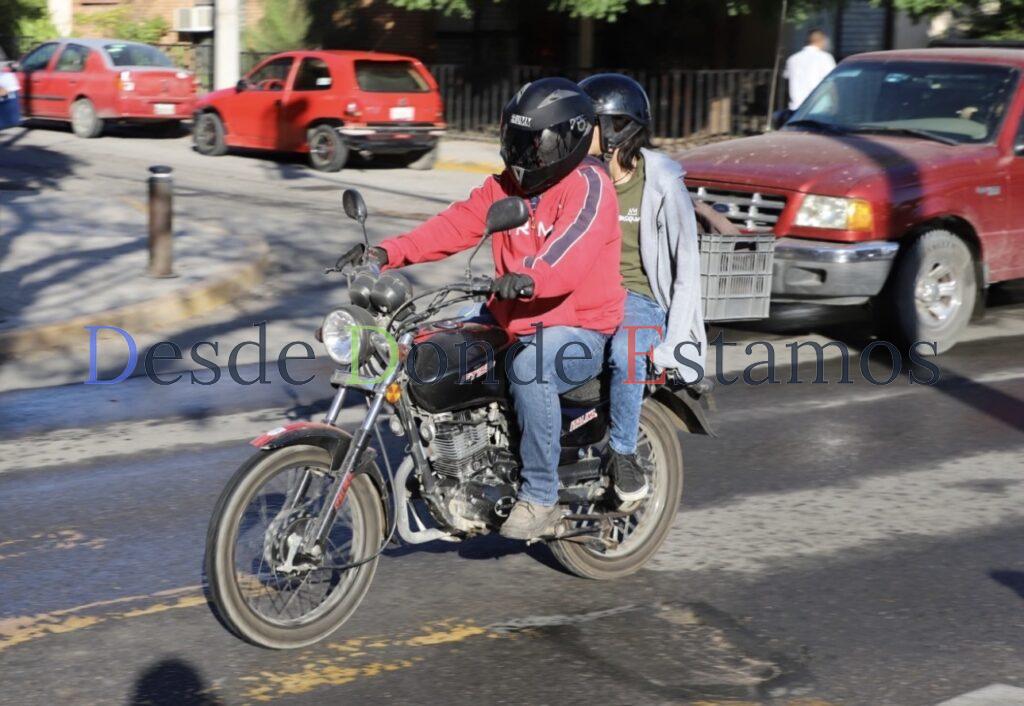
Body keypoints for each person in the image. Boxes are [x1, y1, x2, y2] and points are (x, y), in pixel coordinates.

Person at [336, 78, 625, 540]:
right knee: (425, 345)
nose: (524, 154)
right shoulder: (505, 186)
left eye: (537, 143)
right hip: (510, 315)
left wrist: (530, 277)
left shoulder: (588, 185)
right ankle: (458, 463)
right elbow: (453, 226)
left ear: (568, 141)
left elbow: (567, 257)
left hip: (579, 327)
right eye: (517, 141)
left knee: (531, 368)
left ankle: (541, 496)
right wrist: (385, 254)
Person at [579, 73, 706, 504]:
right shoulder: (581, 175)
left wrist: (674, 342)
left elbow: (687, 265)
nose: (578, 130)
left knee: (625, 352)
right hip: (588, 293)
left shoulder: (661, 182)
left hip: (641, 297)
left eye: (589, 121)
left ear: (617, 129)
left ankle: (623, 453)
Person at [784, 28, 836, 111]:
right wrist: (835, 103)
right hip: (818, 107)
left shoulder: (792, 59)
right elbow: (831, 82)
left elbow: (786, 81)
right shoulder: (825, 58)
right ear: (821, 41)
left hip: (796, 108)